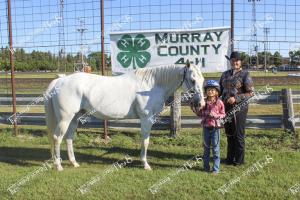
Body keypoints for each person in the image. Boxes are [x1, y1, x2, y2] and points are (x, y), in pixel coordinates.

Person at [219, 51, 254, 166]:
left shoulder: (245, 75)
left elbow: (250, 93)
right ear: (230, 61)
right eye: (233, 60)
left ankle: (239, 160)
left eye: (237, 60)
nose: (235, 62)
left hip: (240, 108)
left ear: (240, 62)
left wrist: (236, 98)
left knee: (238, 134)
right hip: (226, 107)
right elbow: (219, 90)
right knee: (229, 133)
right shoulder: (224, 74)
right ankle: (229, 158)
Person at [192, 80, 225, 174]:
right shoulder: (204, 102)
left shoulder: (219, 103)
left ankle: (215, 169)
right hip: (206, 127)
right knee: (206, 148)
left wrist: (215, 115)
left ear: (217, 91)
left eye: (212, 90)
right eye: (208, 90)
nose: (210, 92)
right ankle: (206, 167)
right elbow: (200, 114)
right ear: (205, 91)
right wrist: (195, 109)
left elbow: (223, 114)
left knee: (215, 148)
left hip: (215, 128)